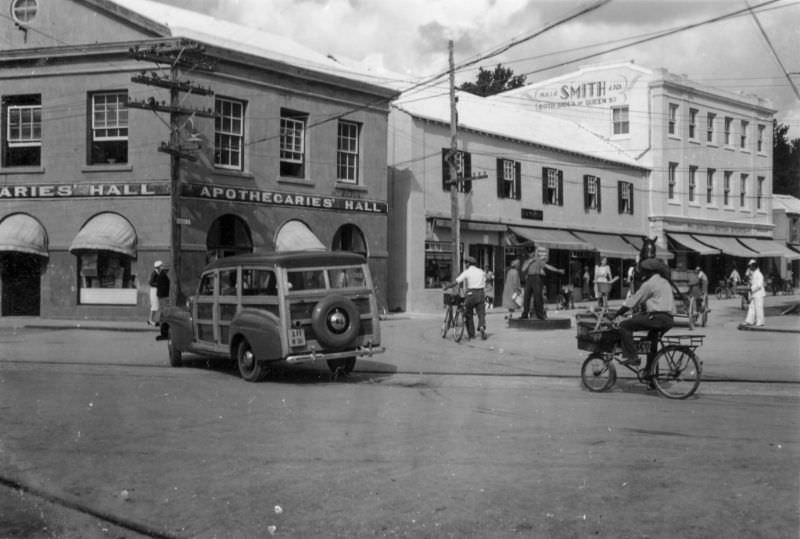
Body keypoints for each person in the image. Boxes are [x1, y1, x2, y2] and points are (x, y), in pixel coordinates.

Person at [613, 258, 675, 376]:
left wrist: (617, 313)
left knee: (625, 325)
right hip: (668, 319)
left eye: (643, 271)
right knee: (651, 344)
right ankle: (650, 375)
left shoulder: (649, 284)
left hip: (657, 318)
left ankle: (632, 356)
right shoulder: (665, 282)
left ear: (648, 272)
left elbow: (632, 301)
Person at [447, 255, 487, 339]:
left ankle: (472, 334)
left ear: (469, 263)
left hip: (471, 294)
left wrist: (448, 286)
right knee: (481, 313)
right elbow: (484, 283)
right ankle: (482, 326)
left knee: (468, 314)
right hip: (480, 293)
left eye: (466, 263)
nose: (465, 264)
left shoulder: (467, 272)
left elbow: (457, 281)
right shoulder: (481, 271)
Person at [521, 247, 565, 320]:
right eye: (529, 253)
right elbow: (523, 269)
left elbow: (548, 267)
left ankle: (540, 315)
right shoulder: (527, 261)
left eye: (532, 252)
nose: (530, 254)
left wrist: (558, 270)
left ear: (534, 252)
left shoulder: (538, 260)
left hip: (536, 277)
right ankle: (525, 314)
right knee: (526, 297)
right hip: (529, 278)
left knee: (537, 297)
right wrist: (529, 261)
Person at [742, 259, 765, 327]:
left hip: (759, 294)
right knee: (751, 307)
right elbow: (752, 282)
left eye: (751, 266)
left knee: (759, 308)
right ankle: (749, 321)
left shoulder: (759, 274)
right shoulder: (754, 274)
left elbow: (759, 285)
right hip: (754, 294)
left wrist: (751, 289)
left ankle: (760, 322)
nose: (750, 268)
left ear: (754, 266)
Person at [147, 261, 163, 326]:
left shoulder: (158, 273)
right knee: (154, 306)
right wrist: (158, 284)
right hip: (154, 291)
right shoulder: (154, 273)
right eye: (161, 266)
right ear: (158, 267)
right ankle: (150, 320)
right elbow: (150, 282)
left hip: (156, 290)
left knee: (156, 306)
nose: (162, 267)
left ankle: (151, 320)